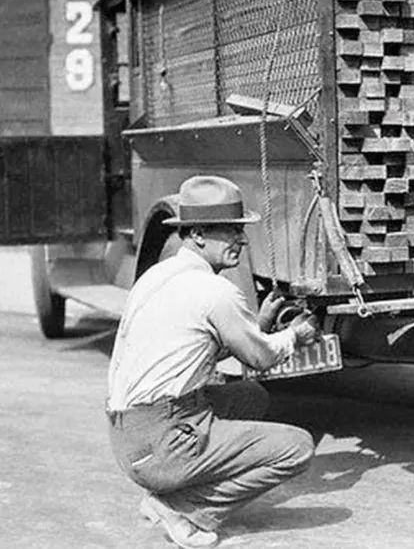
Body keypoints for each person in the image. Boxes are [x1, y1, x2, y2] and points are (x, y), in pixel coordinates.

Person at [106, 175, 321, 549]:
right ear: (200, 234)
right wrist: (295, 335)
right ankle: (184, 510)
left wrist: (260, 324)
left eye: (240, 230)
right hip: (162, 441)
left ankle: (178, 484)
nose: (241, 239)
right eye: (231, 231)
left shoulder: (158, 276)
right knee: (298, 447)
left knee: (250, 397)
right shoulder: (215, 291)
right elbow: (260, 357)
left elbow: (199, 344)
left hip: (128, 435)